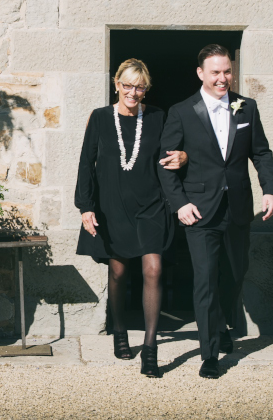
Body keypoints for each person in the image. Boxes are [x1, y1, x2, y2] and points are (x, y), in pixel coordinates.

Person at [158, 44, 273, 379]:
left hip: (238, 207)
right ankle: (210, 354)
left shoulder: (246, 107)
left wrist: (269, 189)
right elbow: (165, 164)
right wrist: (180, 203)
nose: (222, 78)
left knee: (236, 274)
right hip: (199, 211)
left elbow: (261, 152)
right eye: (215, 72)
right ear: (201, 73)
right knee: (206, 280)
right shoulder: (182, 111)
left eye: (227, 71)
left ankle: (222, 323)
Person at [75, 59, 187, 379]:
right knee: (119, 271)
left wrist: (185, 157)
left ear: (146, 89)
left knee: (154, 268)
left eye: (140, 87)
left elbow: (173, 154)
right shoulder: (100, 117)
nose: (133, 92)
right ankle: (120, 330)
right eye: (127, 85)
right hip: (112, 207)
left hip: (151, 205)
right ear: (117, 84)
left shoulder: (157, 117)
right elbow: (86, 164)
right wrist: (86, 207)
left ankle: (150, 350)